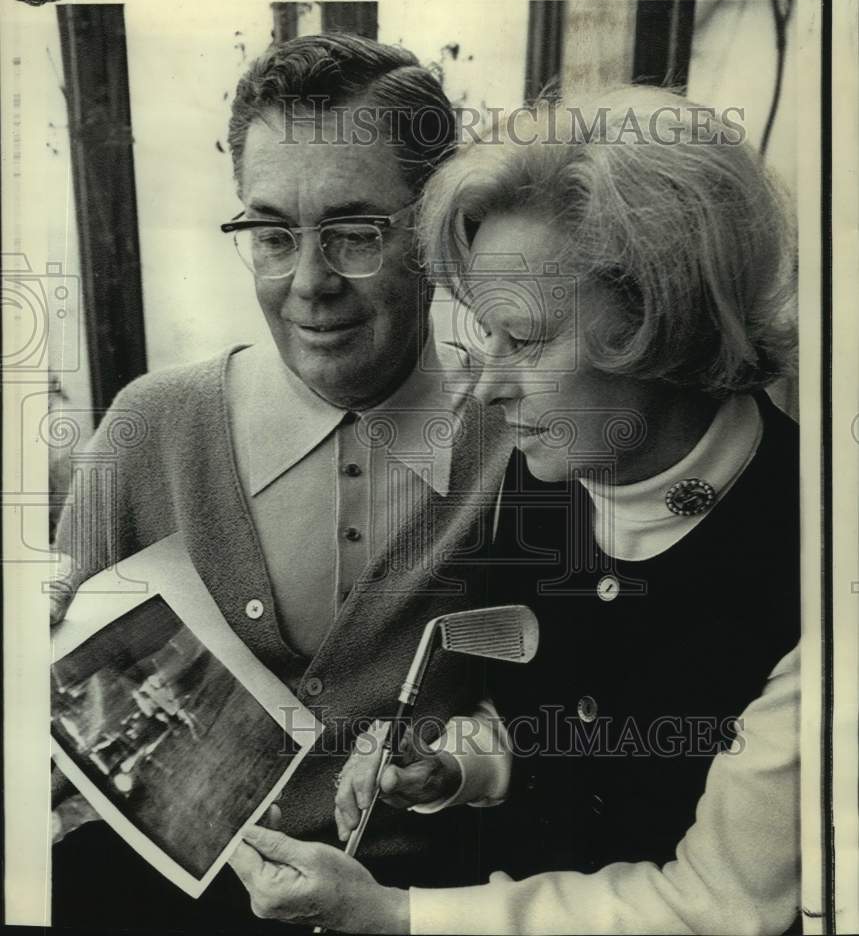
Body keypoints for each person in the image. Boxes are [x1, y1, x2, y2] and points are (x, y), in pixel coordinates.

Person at [230, 87, 801, 934]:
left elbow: (717, 906)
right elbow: (559, 715)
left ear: (664, 324)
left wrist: (393, 914)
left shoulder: (816, 575)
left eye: (525, 342)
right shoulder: (552, 474)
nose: (487, 386)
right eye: (482, 338)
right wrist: (456, 764)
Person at [50, 33, 513, 928]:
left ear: (435, 226)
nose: (308, 284)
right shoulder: (150, 425)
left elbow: (565, 715)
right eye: (271, 235)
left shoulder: (521, 438)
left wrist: (455, 767)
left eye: (352, 235)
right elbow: (52, 697)